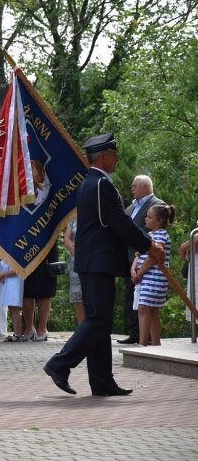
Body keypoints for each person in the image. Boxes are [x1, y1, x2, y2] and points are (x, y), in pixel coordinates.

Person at [44, 133, 164, 397]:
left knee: (101, 321)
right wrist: (149, 245)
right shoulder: (99, 185)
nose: (117, 158)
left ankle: (101, 380)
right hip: (97, 262)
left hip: (96, 261)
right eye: (114, 154)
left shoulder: (95, 183)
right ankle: (59, 363)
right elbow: (118, 221)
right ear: (103, 157)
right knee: (98, 320)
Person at [119, 175, 165, 344]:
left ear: (146, 187)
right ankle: (134, 334)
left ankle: (148, 340)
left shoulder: (157, 204)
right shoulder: (130, 208)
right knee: (130, 295)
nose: (132, 188)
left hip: (148, 263)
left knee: (147, 304)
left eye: (135, 185)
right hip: (131, 259)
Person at [131, 205, 174, 347]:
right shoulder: (149, 236)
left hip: (155, 277)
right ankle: (156, 343)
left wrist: (140, 274)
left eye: (149, 217)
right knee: (152, 310)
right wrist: (133, 269)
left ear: (159, 220)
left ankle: (142, 343)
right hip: (145, 277)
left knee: (144, 307)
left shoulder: (161, 235)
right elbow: (139, 254)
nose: (146, 219)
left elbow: (152, 258)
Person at [21, 243, 58, 342]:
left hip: (46, 251)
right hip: (26, 251)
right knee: (26, 292)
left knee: (44, 293)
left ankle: (42, 329)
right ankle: (29, 329)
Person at [63, 216, 85, 324]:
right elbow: (67, 238)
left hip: (93, 259)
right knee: (78, 295)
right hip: (75, 260)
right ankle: (82, 328)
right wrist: (75, 250)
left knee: (91, 294)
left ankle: (92, 327)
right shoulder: (73, 216)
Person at [0, 260, 24, 341]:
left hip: (14, 282)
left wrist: (3, 274)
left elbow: (17, 269)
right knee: (11, 308)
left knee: (14, 308)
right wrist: (2, 276)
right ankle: (16, 332)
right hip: (8, 281)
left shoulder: (16, 254)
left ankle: (17, 334)